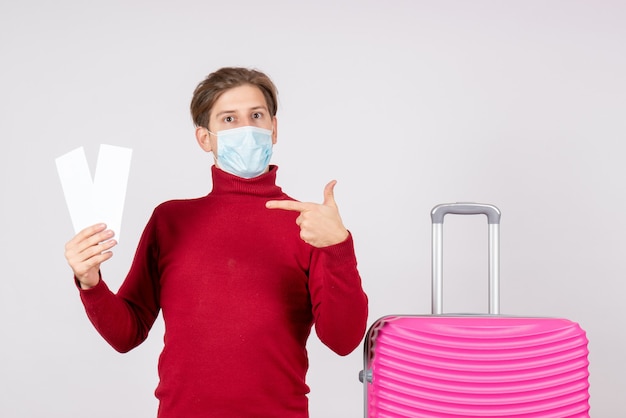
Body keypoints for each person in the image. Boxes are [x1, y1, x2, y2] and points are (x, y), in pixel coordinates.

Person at [64, 67, 369, 418]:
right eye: (229, 119)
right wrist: (90, 283)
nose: (246, 129)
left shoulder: (309, 224)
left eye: (256, 115)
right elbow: (126, 334)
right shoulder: (170, 221)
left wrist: (338, 247)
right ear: (204, 138)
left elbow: (343, 341)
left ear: (274, 128)